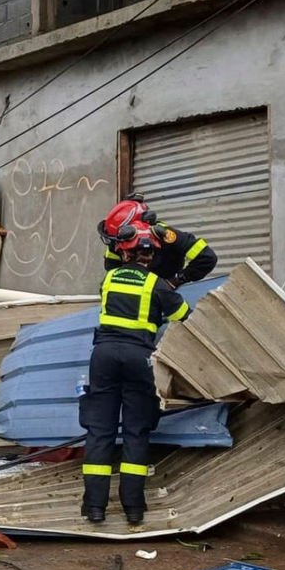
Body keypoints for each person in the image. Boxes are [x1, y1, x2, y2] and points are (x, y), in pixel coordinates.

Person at [80, 225, 191, 526]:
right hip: (138, 358)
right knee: (136, 431)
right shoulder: (157, 285)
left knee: (99, 430)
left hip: (103, 356)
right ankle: (133, 509)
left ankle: (94, 507)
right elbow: (184, 316)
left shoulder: (109, 279)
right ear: (151, 255)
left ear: (124, 252)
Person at [98, 195, 217, 286]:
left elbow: (206, 258)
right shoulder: (116, 240)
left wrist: (176, 280)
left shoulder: (167, 236)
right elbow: (111, 269)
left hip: (167, 295)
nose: (116, 245)